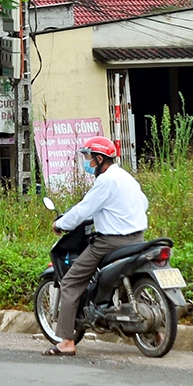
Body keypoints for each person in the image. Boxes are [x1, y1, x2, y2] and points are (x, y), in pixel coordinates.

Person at [45, 136, 149, 356]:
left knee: (71, 281)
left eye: (89, 158)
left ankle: (67, 341)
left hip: (110, 243)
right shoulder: (126, 177)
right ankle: (156, 335)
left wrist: (60, 224)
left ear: (100, 159)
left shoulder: (105, 181)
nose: (87, 162)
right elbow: (143, 203)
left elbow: (83, 209)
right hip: (138, 240)